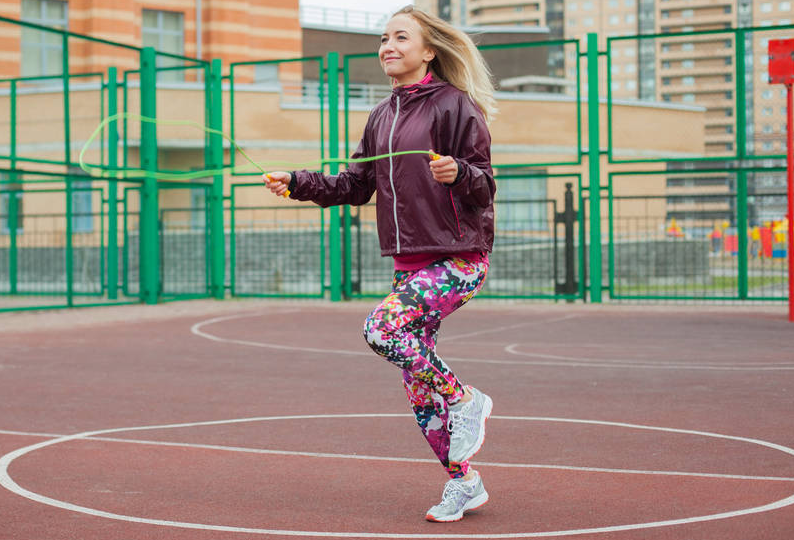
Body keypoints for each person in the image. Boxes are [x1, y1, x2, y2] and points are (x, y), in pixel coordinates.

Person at [264, 5, 496, 523]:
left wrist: (458, 172)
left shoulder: (455, 106)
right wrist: (297, 182)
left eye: (400, 37)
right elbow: (354, 185)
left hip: (458, 258)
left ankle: (466, 399)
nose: (388, 46)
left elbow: (485, 184)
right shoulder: (381, 117)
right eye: (384, 38)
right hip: (409, 266)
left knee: (382, 329)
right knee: (417, 386)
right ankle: (464, 483)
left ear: (428, 50)